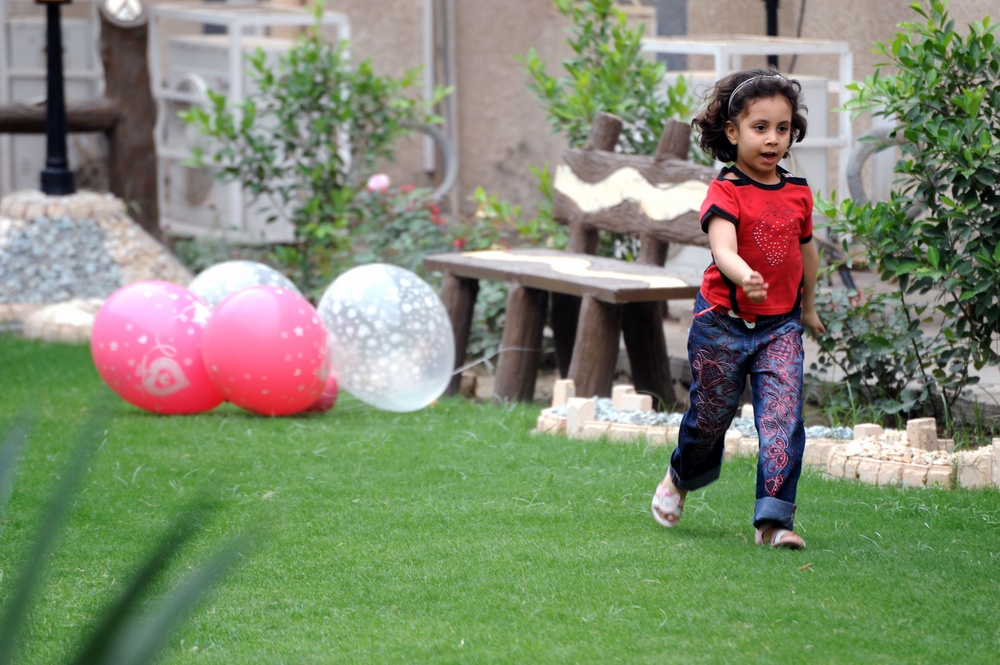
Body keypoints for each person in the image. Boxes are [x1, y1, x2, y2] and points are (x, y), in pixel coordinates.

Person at [650, 67, 825, 549]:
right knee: (709, 419)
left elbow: (808, 254)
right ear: (733, 131)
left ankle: (773, 522)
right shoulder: (725, 189)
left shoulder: (798, 191)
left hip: (780, 327)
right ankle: (680, 478)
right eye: (760, 127)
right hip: (720, 325)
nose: (773, 139)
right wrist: (741, 273)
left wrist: (808, 308)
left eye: (783, 129)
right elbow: (722, 245)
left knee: (782, 417)